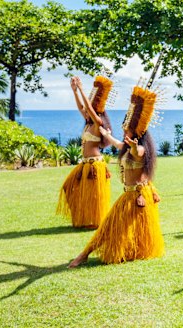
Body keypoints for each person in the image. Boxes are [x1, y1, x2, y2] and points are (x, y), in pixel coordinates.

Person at [68, 82, 163, 268]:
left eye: (126, 129)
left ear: (135, 132)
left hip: (137, 196)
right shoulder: (125, 146)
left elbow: (137, 152)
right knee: (118, 227)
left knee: (109, 225)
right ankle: (89, 253)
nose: (123, 131)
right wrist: (106, 134)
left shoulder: (140, 149)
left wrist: (134, 146)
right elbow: (116, 143)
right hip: (131, 195)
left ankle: (83, 255)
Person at [56, 76, 113, 229]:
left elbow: (87, 108)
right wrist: (74, 91)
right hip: (85, 163)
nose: (85, 113)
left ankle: (94, 221)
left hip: (95, 164)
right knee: (68, 187)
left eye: (89, 111)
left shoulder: (97, 123)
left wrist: (81, 89)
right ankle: (83, 216)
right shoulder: (88, 123)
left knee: (93, 195)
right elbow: (82, 108)